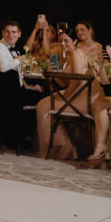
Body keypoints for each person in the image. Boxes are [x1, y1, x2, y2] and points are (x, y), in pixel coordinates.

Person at [35, 30, 102, 159]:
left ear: (74, 41)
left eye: (66, 41)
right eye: (60, 41)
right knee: (44, 103)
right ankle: (63, 145)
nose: (62, 43)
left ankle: (62, 148)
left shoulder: (76, 54)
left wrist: (66, 98)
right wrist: (52, 71)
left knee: (43, 107)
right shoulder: (72, 54)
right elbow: (64, 82)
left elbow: (77, 81)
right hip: (80, 93)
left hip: (82, 98)